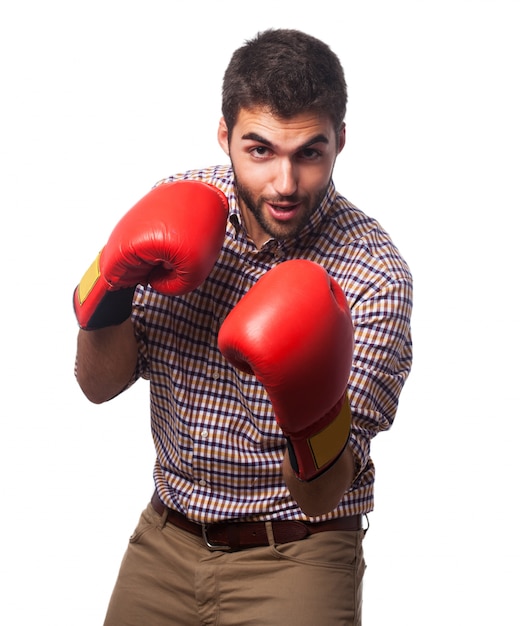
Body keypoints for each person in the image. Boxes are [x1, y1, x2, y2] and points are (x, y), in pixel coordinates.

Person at [73, 28, 413, 626]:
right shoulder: (178, 204)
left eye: (310, 152)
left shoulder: (373, 277)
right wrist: (111, 283)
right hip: (166, 538)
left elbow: (320, 494)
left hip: (299, 553)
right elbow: (98, 385)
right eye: (260, 150)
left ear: (341, 141)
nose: (285, 184)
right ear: (225, 135)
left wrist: (307, 397)